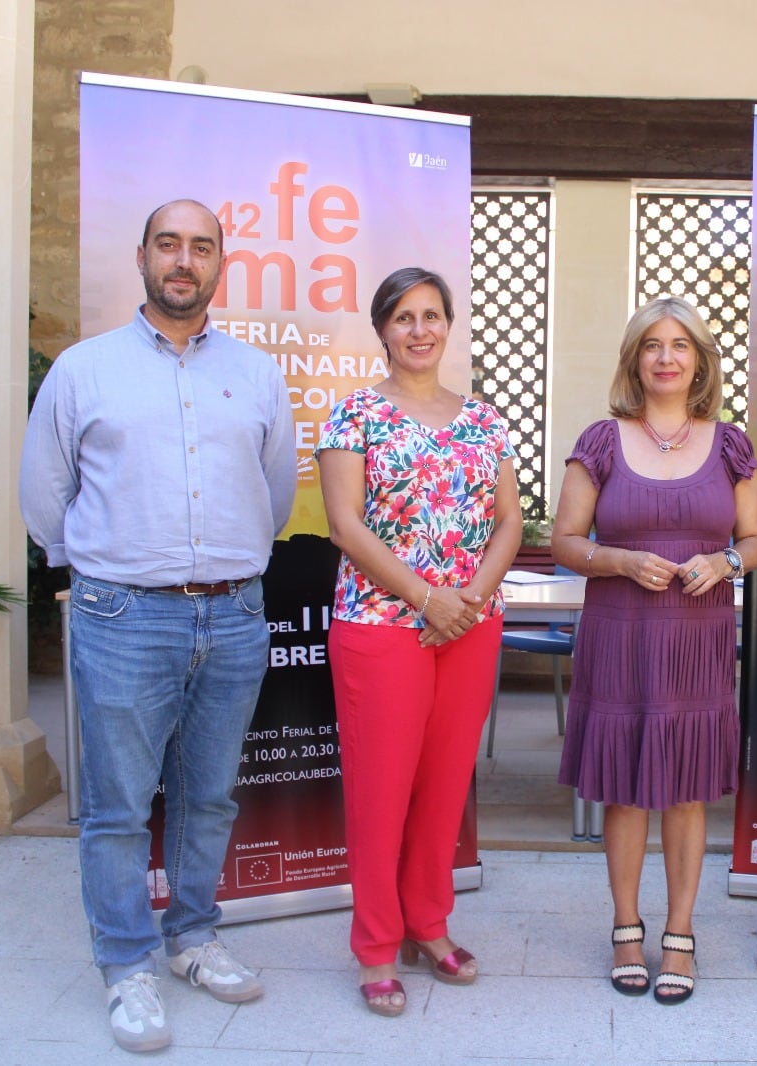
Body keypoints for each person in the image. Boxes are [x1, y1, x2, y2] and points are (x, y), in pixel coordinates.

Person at [20, 199, 295, 1053]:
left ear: (221, 263)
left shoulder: (255, 374)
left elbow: (275, 493)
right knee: (116, 807)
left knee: (208, 794)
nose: (184, 260)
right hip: (122, 615)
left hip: (236, 612)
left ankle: (193, 936)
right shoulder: (83, 370)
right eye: (169, 244)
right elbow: (44, 498)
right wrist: (114, 567)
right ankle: (128, 963)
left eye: (201, 247)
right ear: (141, 255)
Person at [316, 266, 521, 1017]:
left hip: (469, 624)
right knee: (381, 792)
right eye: (404, 317)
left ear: (449, 325)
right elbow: (346, 526)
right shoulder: (353, 416)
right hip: (382, 625)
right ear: (382, 330)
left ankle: (428, 926)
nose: (420, 329)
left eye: (432, 315)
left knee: (443, 788)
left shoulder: (484, 420)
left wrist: (469, 599)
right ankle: (375, 944)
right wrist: (427, 597)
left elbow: (508, 519)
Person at [553, 297, 757, 1006]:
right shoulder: (601, 442)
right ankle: (625, 926)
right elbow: (566, 541)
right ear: (634, 359)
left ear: (700, 360)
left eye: (681, 345)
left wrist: (726, 566)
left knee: (684, 788)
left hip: (697, 636)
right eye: (653, 344)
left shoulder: (732, 444)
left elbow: (756, 540)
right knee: (624, 787)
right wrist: (616, 561)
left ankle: (679, 931)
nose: (667, 356)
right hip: (621, 634)